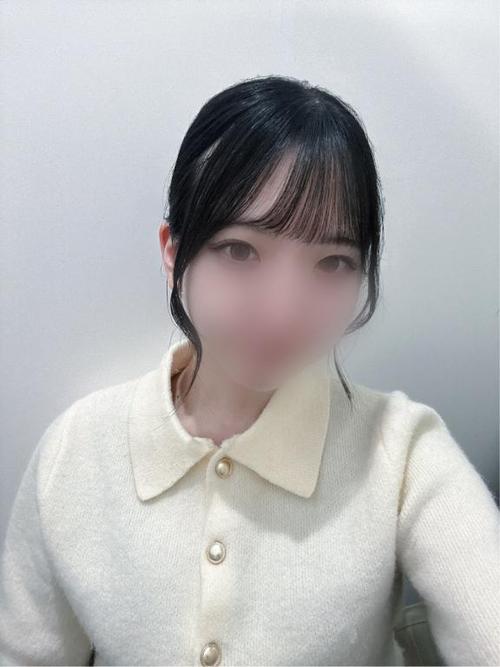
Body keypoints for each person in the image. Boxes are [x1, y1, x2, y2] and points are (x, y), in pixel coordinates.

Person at [0, 75, 498, 667]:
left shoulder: (403, 454)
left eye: (331, 262)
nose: (282, 313)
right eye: (240, 250)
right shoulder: (76, 452)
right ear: (172, 252)